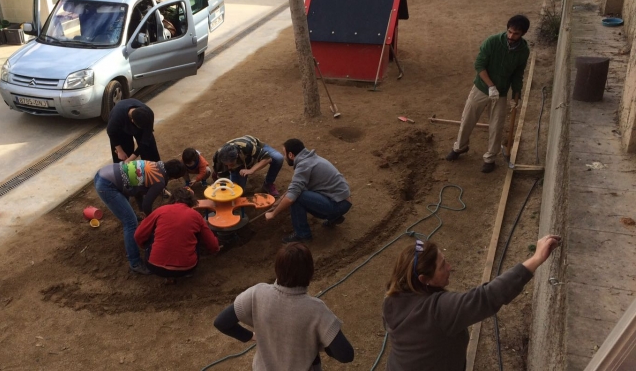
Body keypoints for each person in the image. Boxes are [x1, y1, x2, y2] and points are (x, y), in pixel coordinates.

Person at [381, 234, 561, 371]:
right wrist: (536, 258)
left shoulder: (391, 300)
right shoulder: (439, 310)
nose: (450, 267)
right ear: (424, 279)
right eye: (442, 266)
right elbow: (488, 296)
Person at [213, 243, 355, 370]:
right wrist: (324, 344)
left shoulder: (256, 293)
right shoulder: (317, 310)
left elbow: (222, 322)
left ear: (277, 269)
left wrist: (250, 336)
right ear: (310, 272)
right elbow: (345, 355)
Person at [446, 15, 531, 173]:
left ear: (523, 34)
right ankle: (460, 147)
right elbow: (479, 64)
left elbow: (518, 74)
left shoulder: (523, 51)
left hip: (502, 92)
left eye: (516, 34)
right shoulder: (492, 42)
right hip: (481, 88)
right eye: (509, 32)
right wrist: (490, 86)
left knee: (496, 126)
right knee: (468, 119)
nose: (511, 36)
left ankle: (490, 158)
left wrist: (515, 95)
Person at [93, 159, 187, 275]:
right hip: (107, 185)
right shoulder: (159, 181)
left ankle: (134, 218)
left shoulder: (156, 165)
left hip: (105, 173)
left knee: (130, 215)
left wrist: (142, 211)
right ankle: (135, 263)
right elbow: (147, 205)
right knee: (130, 222)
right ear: (174, 177)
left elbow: (137, 189)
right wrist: (151, 221)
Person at [265, 139, 352, 244]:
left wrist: (273, 214)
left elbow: (291, 197)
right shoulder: (310, 159)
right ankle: (334, 217)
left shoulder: (303, 166)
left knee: (297, 198)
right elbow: (294, 188)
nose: (284, 157)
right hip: (342, 200)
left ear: (291, 155)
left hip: (338, 204)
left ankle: (302, 234)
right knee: (299, 193)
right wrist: (277, 203)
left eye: (284, 154)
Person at [134, 187, 219, 278]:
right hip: (187, 268)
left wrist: (145, 246)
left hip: (154, 266)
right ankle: (184, 269)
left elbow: (138, 235)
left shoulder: (161, 210)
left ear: (173, 199)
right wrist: (215, 248)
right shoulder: (196, 216)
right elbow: (212, 244)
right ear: (191, 201)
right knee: (196, 234)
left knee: (152, 233)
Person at [211, 135, 283, 197]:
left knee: (278, 158)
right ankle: (216, 173)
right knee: (238, 191)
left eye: (231, 165)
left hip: (254, 145)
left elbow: (267, 158)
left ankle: (268, 184)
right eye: (226, 165)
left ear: (237, 156)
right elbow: (223, 181)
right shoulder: (218, 158)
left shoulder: (247, 146)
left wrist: (251, 170)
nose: (229, 167)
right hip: (238, 161)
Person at [107, 99, 161, 164]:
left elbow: (145, 142)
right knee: (122, 158)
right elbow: (111, 133)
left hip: (140, 122)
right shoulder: (116, 118)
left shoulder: (148, 114)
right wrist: (120, 151)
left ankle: (154, 169)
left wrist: (131, 158)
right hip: (121, 129)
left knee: (150, 151)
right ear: (132, 121)